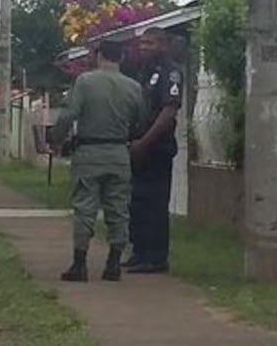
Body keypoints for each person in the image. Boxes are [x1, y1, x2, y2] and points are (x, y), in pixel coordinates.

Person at [52, 39, 144, 282]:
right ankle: (113, 264)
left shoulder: (85, 81)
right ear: (121, 57)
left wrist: (57, 138)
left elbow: (69, 114)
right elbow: (140, 120)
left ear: (98, 55)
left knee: (85, 207)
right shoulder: (134, 87)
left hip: (89, 152)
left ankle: (80, 264)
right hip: (119, 153)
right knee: (119, 209)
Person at [125, 27, 183, 274]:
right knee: (137, 202)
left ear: (162, 45)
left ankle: (156, 258)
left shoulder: (171, 72)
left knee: (155, 204)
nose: (144, 48)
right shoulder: (144, 71)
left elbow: (168, 112)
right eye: (142, 43)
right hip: (138, 147)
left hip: (157, 147)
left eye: (150, 43)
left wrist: (145, 142)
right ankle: (139, 252)